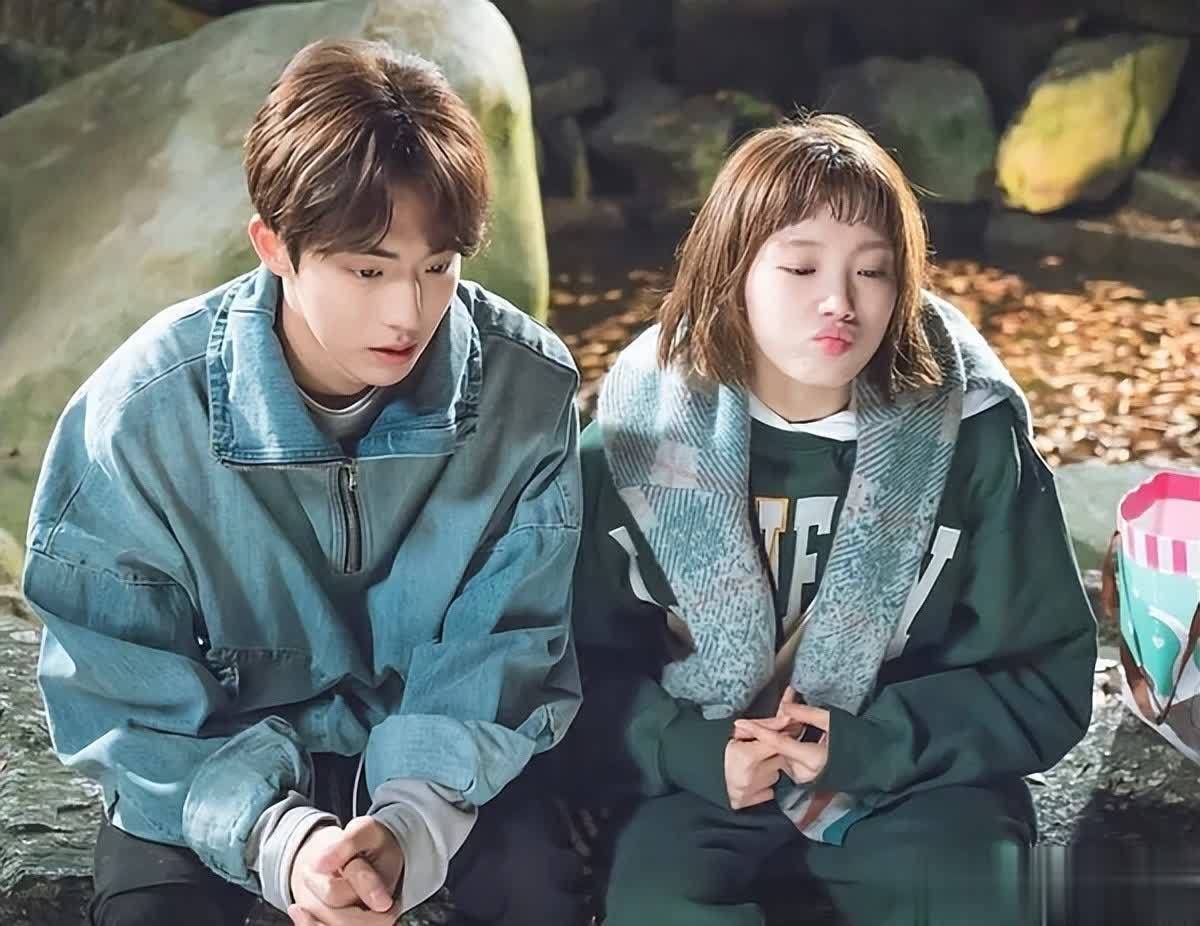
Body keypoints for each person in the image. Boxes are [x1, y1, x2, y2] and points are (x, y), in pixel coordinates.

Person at [25, 39, 584, 926]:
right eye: (368, 269)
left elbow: (505, 647)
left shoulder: (529, 389)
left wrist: (410, 826)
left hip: (439, 753)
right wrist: (279, 841)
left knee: (541, 891)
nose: (408, 312)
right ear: (275, 246)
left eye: (438, 267)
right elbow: (119, 686)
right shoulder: (138, 416)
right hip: (216, 758)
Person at [563, 113, 1097, 925]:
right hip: (705, 779)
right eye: (800, 266)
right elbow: (564, 671)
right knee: (658, 901)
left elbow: (1045, 674)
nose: (839, 302)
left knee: (977, 899)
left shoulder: (972, 440)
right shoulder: (635, 443)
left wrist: (876, 743)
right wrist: (682, 749)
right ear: (730, 272)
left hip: (915, 783)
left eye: (873, 271)